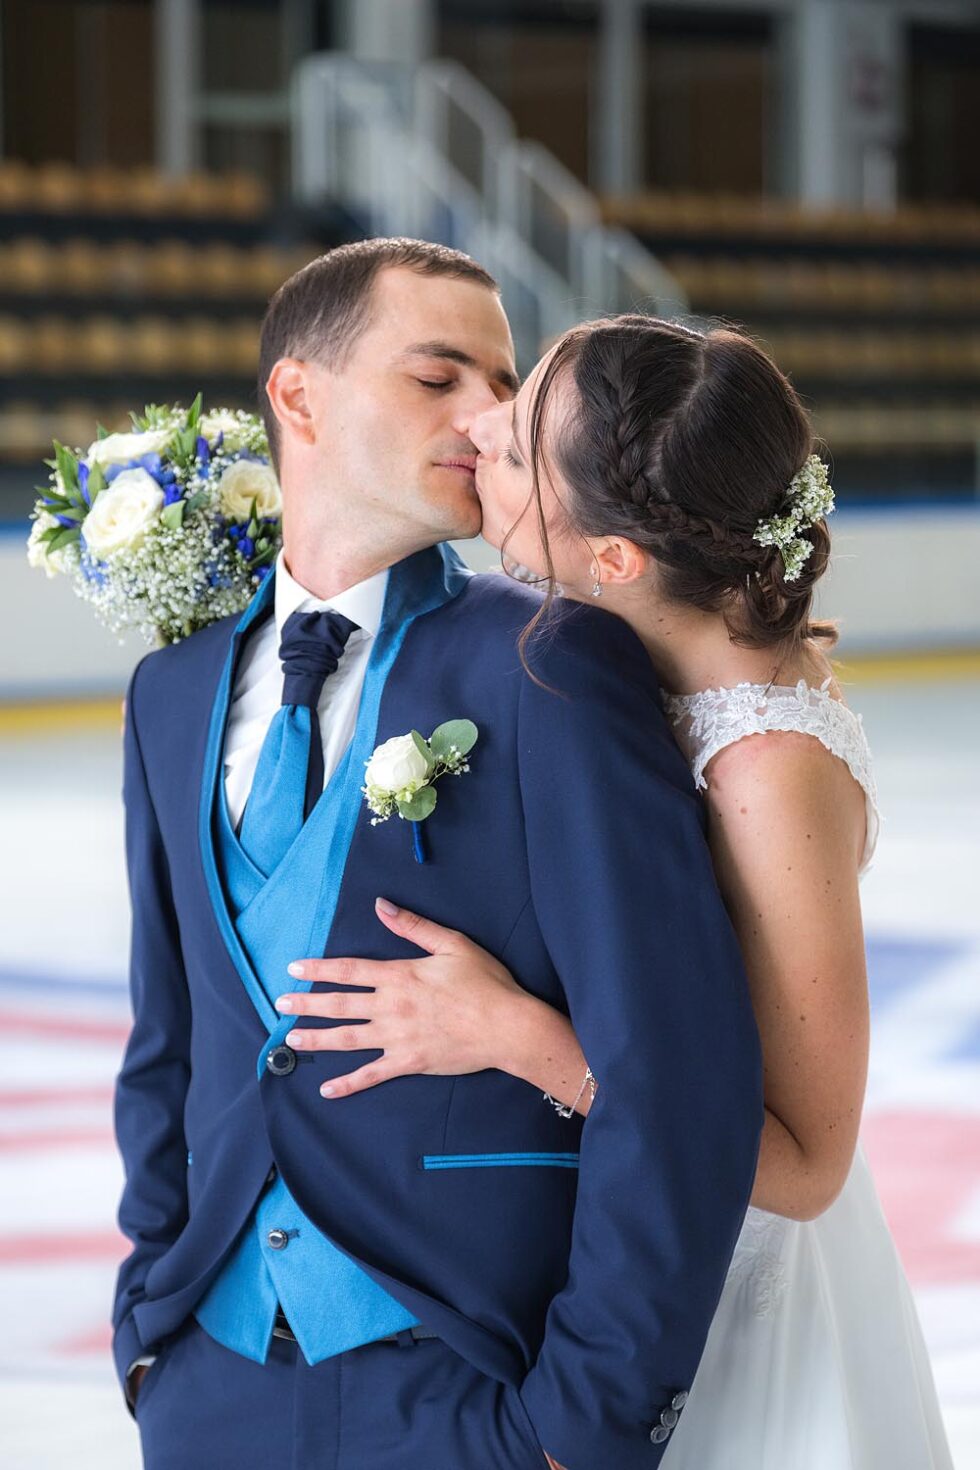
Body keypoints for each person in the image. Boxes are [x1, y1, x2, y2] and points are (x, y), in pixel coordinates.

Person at [112, 244, 763, 1470]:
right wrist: (150, 1330)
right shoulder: (170, 692)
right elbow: (168, 1045)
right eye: (436, 376)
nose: (486, 416)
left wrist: (581, 1424)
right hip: (208, 1382)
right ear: (297, 397)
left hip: (471, 1385)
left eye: (502, 381)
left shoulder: (550, 664)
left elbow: (678, 1075)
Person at [277, 314, 954, 1469]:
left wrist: (516, 1036)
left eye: (516, 441)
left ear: (614, 560)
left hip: (724, 1303)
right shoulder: (621, 675)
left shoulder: (764, 771)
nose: (477, 425)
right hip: (600, 1255)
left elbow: (802, 1168)